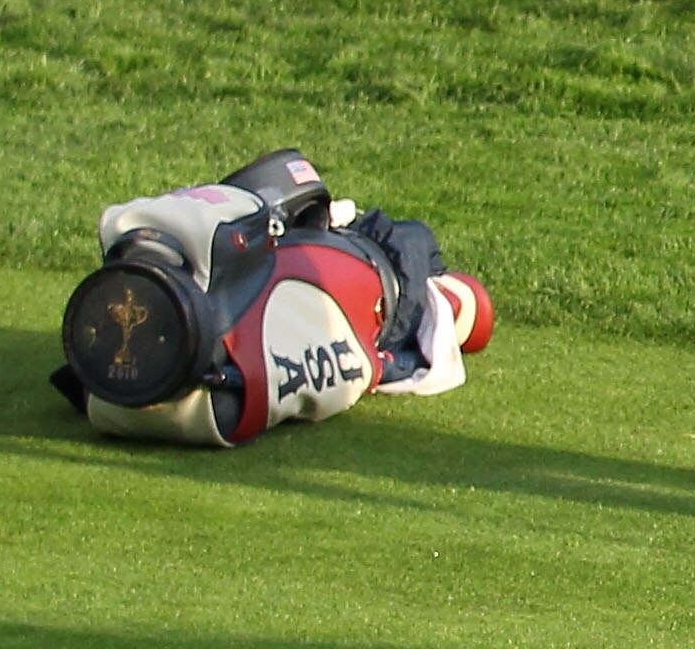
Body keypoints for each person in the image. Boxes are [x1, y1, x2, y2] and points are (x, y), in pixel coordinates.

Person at [48, 149, 491, 451]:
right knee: (457, 290)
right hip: (369, 264)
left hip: (143, 379)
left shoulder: (110, 392)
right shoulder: (222, 396)